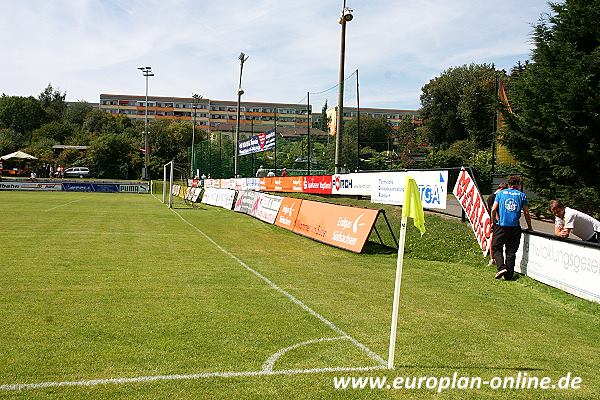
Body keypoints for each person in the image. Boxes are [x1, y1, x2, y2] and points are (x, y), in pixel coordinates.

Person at [490, 175, 533, 280]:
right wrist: (530, 227)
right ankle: (509, 276)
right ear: (518, 185)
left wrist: (494, 222)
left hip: (501, 226)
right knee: (511, 251)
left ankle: (501, 268)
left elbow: (493, 210)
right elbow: (526, 213)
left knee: (496, 247)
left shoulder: (500, 194)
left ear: (509, 184)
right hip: (515, 227)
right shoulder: (522, 195)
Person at [486, 182, 508, 266]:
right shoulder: (493, 197)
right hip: (496, 222)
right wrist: (495, 221)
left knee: (497, 241)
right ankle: (492, 259)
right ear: (501, 189)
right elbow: (493, 210)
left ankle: (495, 259)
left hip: (497, 221)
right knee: (494, 240)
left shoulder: (495, 196)